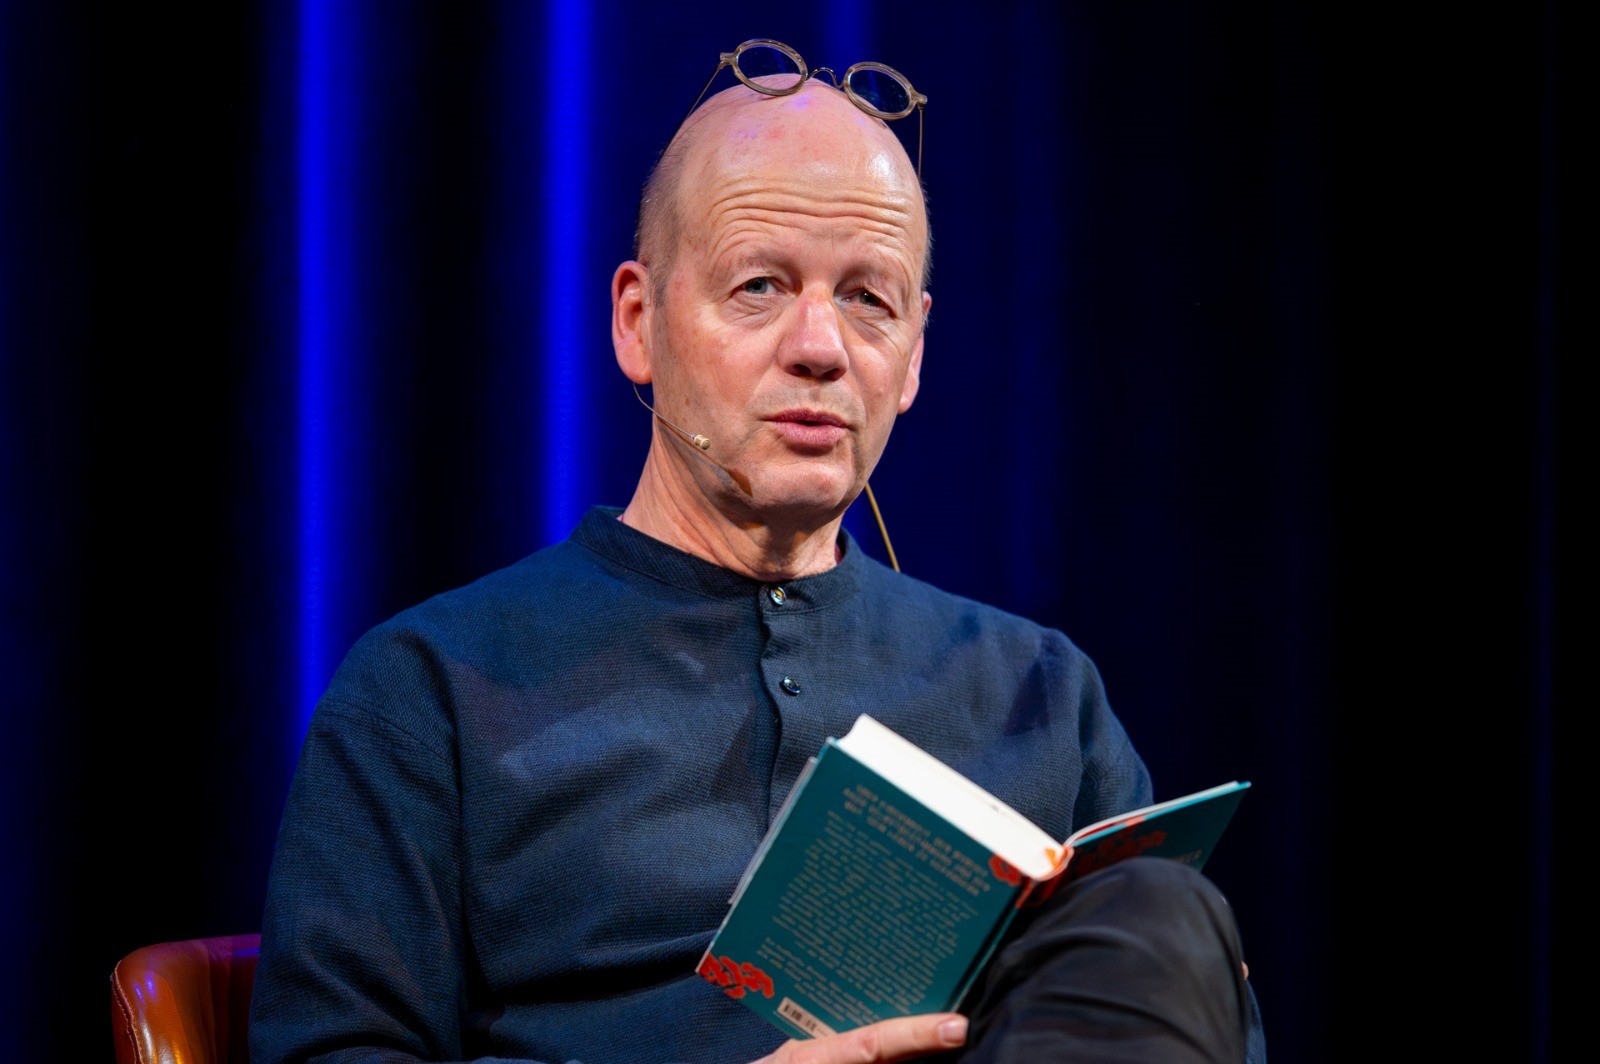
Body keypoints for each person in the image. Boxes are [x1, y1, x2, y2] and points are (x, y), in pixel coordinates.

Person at [250, 39, 1267, 1064]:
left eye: (867, 299)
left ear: (913, 352)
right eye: (760, 286)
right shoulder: (434, 690)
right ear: (638, 323)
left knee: (1167, 914)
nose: (820, 347)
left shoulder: (1038, 691)